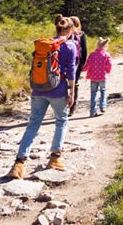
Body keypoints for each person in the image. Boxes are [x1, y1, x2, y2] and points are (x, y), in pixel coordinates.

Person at [7, 15, 77, 179]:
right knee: (61, 121)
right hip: (58, 90)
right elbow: (71, 71)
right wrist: (72, 93)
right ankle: (55, 158)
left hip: (38, 90)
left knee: (32, 125)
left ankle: (19, 164)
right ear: (70, 29)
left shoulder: (44, 44)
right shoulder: (70, 46)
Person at [83, 37, 113, 117]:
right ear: (106, 47)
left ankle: (92, 112)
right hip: (103, 76)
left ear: (97, 46)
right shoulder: (107, 55)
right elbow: (109, 64)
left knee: (93, 93)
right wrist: (108, 71)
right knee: (103, 91)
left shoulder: (92, 55)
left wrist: (82, 70)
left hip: (93, 77)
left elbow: (88, 65)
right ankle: (102, 106)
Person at [68, 16, 88, 116]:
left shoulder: (66, 33)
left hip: (66, 62)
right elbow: (84, 50)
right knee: (75, 83)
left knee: (64, 83)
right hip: (77, 62)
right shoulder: (81, 34)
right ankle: (72, 107)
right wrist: (83, 63)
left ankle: (63, 106)